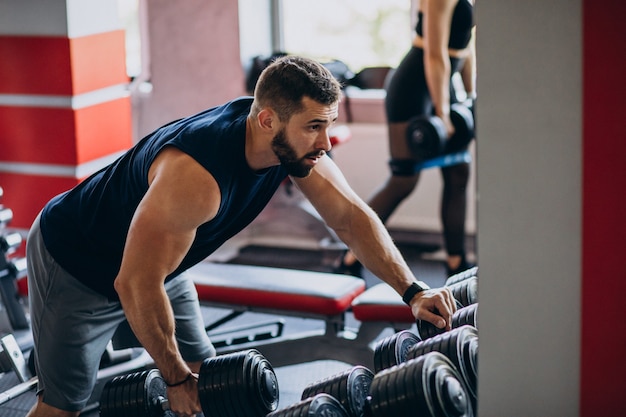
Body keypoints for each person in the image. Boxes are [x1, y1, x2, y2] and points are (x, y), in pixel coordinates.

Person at [25, 55, 457, 417]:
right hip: (76, 262)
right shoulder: (196, 178)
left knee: (209, 378)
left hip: (161, 262)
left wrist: (413, 290)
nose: (325, 141)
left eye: (329, 124)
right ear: (269, 120)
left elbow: (350, 217)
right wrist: (174, 380)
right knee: (64, 407)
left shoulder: (290, 147)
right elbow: (134, 283)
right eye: (314, 126)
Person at [337, 0, 477, 278]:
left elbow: (465, 47)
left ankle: (456, 263)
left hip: (443, 84)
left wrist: (470, 97)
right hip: (413, 87)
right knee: (403, 180)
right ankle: (350, 257)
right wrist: (442, 113)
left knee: (458, 171)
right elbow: (435, 54)